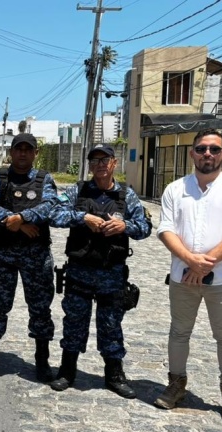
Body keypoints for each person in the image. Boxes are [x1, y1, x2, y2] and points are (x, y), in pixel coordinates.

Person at [155, 128, 222, 427]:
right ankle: (176, 384)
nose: (207, 154)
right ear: (192, 153)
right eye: (201, 149)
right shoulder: (175, 189)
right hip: (182, 277)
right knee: (179, 332)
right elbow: (166, 229)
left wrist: (205, 263)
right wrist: (190, 261)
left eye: (214, 149)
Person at [49, 144, 151, 398]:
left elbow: (145, 228)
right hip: (79, 271)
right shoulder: (78, 191)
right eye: (94, 161)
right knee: (73, 322)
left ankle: (114, 374)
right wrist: (82, 218)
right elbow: (53, 214)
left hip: (111, 272)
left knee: (111, 325)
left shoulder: (126, 195)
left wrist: (123, 226)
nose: (99, 165)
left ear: (114, 163)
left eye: (104, 160)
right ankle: (67, 370)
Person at [0, 133, 58, 379]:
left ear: (35, 153)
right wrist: (18, 224)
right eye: (18, 149)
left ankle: (41, 360)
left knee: (40, 307)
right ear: (12, 152)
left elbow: (52, 206)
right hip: (4, 254)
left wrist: (22, 218)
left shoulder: (44, 180)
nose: (23, 153)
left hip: (36, 256)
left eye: (28, 149)